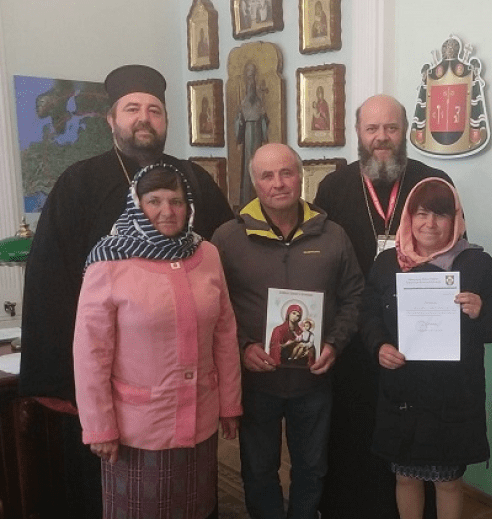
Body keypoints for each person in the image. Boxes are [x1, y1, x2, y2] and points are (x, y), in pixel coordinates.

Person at [19, 64, 234, 518]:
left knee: (193, 498)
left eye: (154, 110)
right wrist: (62, 380)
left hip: (191, 387)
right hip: (112, 392)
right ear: (111, 120)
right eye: (132, 108)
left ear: (166, 120)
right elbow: (50, 280)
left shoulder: (193, 179)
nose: (144, 118)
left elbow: (224, 272)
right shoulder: (78, 182)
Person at [73, 163, 242, 518]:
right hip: (138, 430)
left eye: (176, 201)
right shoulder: (108, 261)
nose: (167, 211)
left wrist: (230, 403)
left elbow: (225, 334)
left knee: (197, 509)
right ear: (137, 205)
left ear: (188, 205)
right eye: (154, 201)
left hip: (200, 420)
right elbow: (90, 354)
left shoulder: (207, 254)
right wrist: (99, 427)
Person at [314, 93, 455, 519]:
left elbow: (453, 249)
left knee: (412, 435)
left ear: (405, 131)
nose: (382, 137)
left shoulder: (431, 182)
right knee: (353, 428)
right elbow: (321, 260)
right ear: (358, 133)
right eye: (372, 128)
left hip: (416, 335)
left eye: (391, 128)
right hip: (354, 330)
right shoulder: (334, 187)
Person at [212, 143, 363, 519]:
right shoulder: (228, 239)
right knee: (258, 469)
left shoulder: (333, 236)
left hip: (314, 380)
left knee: (312, 468)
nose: (278, 183)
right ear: (255, 184)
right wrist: (243, 346)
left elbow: (355, 296)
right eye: (267, 176)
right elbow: (214, 307)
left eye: (286, 173)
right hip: (256, 381)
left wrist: (334, 343)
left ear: (300, 177)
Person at [361, 178, 492, 519]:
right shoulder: (388, 263)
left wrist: (480, 312)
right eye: (422, 214)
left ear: (456, 219)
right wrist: (379, 345)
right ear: (409, 217)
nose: (430, 223)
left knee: (448, 482)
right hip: (402, 392)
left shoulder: (478, 264)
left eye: (441, 215)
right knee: (405, 476)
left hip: (452, 396)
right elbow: (368, 314)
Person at [236, 61, 270, 208]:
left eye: (253, 77)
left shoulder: (260, 102)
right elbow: (239, 122)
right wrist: (240, 125)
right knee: (247, 168)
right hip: (247, 137)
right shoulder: (243, 102)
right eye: (249, 77)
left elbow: (264, 121)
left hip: (257, 137)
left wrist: (264, 122)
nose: (251, 82)